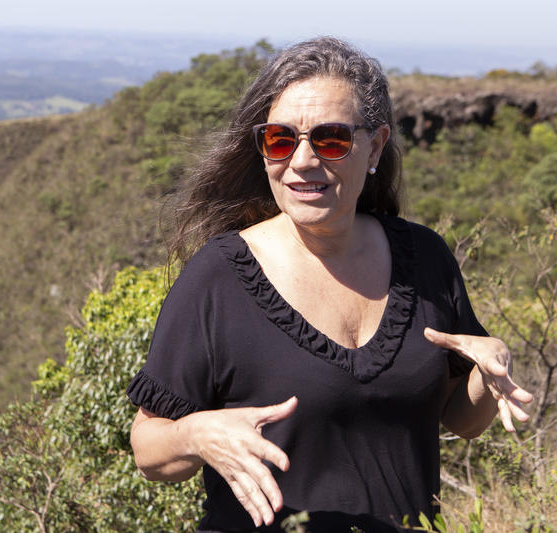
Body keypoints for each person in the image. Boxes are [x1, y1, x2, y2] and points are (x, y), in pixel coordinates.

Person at [126, 37, 533, 533]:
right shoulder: (219, 277)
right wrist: (197, 433)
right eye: (280, 139)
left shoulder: (425, 261)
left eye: (331, 139)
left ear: (376, 146)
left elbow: (461, 421)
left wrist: (490, 371)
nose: (301, 161)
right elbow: (148, 448)